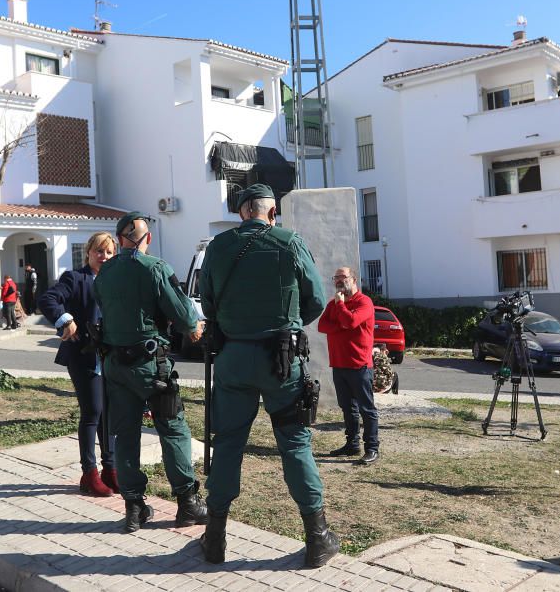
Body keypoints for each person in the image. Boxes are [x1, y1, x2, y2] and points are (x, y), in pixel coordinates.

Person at [198, 183, 339, 568]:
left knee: (227, 444)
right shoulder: (289, 242)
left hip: (232, 358)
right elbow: (315, 300)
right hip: (281, 359)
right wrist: (288, 325)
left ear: (242, 212)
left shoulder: (217, 247)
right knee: (294, 442)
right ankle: (316, 538)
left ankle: (214, 539)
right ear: (272, 212)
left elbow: (207, 302)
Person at [93, 211, 207, 533]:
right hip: (151, 367)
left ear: (118, 241)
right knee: (173, 430)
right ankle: (187, 503)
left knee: (125, 434)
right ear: (148, 240)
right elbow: (184, 314)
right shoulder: (156, 268)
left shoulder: (104, 273)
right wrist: (193, 327)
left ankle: (133, 507)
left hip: (115, 367)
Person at [39, 232, 118, 497]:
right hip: (84, 355)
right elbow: (48, 299)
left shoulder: (116, 279)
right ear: (88, 252)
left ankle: (111, 469)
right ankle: (89, 473)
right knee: (93, 411)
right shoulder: (75, 278)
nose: (103, 257)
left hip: (112, 357)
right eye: (99, 251)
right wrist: (65, 319)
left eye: (108, 252)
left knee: (109, 414)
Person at [317, 266, 379, 465]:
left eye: (342, 277)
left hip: (359, 365)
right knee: (347, 408)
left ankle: (372, 448)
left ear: (353, 280)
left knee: (366, 409)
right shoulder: (332, 304)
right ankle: (352, 444)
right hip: (339, 364)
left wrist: (342, 308)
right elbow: (322, 325)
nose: (338, 281)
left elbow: (351, 321)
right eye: (335, 278)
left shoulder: (364, 302)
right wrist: (341, 324)